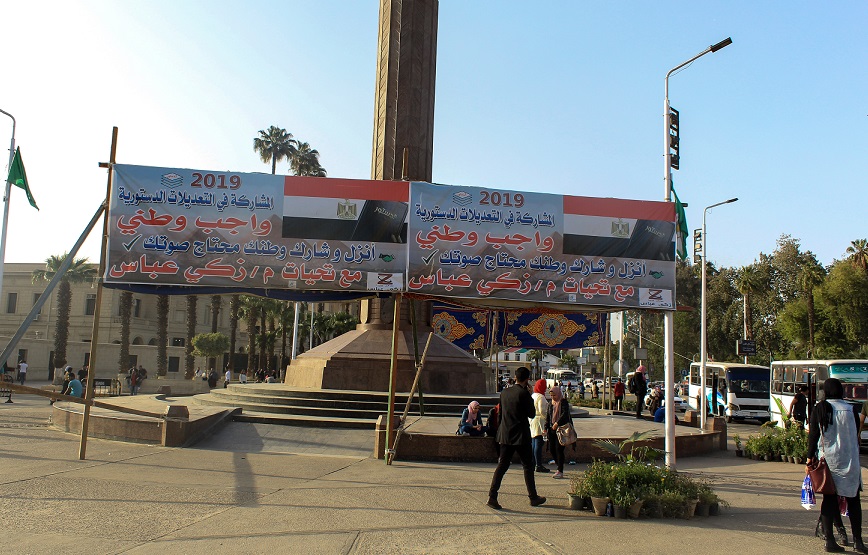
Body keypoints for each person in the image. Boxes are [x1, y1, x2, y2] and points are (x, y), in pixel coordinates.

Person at [808, 378, 866, 553]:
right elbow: (855, 433)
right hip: (850, 460)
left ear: (825, 391)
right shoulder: (850, 409)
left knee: (829, 501)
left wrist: (809, 458)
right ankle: (858, 541)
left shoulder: (820, 408)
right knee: (853, 501)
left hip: (829, 461)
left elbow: (813, 435)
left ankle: (830, 541)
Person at [487, 366, 546, 510]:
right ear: (527, 379)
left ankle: (492, 496)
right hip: (520, 435)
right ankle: (533, 497)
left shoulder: (505, 392)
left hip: (505, 434)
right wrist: (529, 394)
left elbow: (500, 414)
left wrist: (499, 431)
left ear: (515, 377)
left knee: (502, 465)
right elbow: (531, 414)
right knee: (528, 466)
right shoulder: (523, 393)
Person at [546, 385, 571, 479]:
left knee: (559, 449)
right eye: (551, 396)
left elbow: (565, 414)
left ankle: (560, 470)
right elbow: (548, 415)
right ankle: (558, 465)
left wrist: (557, 423)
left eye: (554, 395)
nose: (553, 397)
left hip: (561, 429)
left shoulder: (563, 402)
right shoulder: (551, 403)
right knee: (552, 449)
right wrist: (545, 427)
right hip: (552, 430)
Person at [530, 378, 549, 473]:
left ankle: (533, 463)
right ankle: (538, 465)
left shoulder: (533, 395)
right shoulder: (541, 397)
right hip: (539, 421)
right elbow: (542, 410)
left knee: (534, 443)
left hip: (532, 420)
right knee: (538, 442)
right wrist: (548, 418)